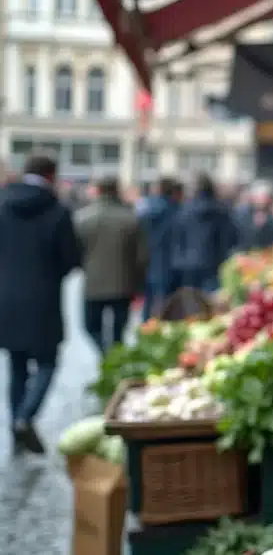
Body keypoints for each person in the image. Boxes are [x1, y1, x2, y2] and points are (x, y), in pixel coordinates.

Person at [0, 155, 82, 453]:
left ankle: (15, 425)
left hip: (7, 297)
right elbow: (71, 259)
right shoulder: (58, 210)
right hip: (44, 298)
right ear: (51, 174)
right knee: (48, 362)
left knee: (16, 366)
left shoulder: (3, 203)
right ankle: (24, 417)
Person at [75, 177, 148, 354]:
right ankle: (113, 357)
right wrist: (138, 282)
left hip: (93, 283)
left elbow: (74, 252)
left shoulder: (83, 218)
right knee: (119, 330)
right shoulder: (130, 218)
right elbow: (142, 256)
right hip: (123, 283)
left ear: (97, 191)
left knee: (91, 327)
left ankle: (105, 354)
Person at [173, 173, 236, 292]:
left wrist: (179, 260)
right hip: (213, 262)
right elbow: (227, 238)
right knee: (211, 301)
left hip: (188, 263)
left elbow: (178, 237)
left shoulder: (185, 210)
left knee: (191, 301)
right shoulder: (221, 210)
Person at [139, 178, 183, 319]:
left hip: (149, 260)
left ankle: (146, 328)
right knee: (167, 301)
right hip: (171, 261)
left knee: (149, 301)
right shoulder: (176, 211)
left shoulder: (145, 210)